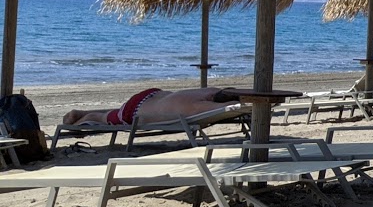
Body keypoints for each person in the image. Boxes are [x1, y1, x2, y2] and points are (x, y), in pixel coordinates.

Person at [62, 87, 240, 127]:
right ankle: (81, 119)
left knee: (113, 112)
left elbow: (230, 94)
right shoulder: (197, 107)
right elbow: (235, 106)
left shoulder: (208, 92)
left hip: (152, 95)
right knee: (103, 119)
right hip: (134, 112)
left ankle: (82, 112)